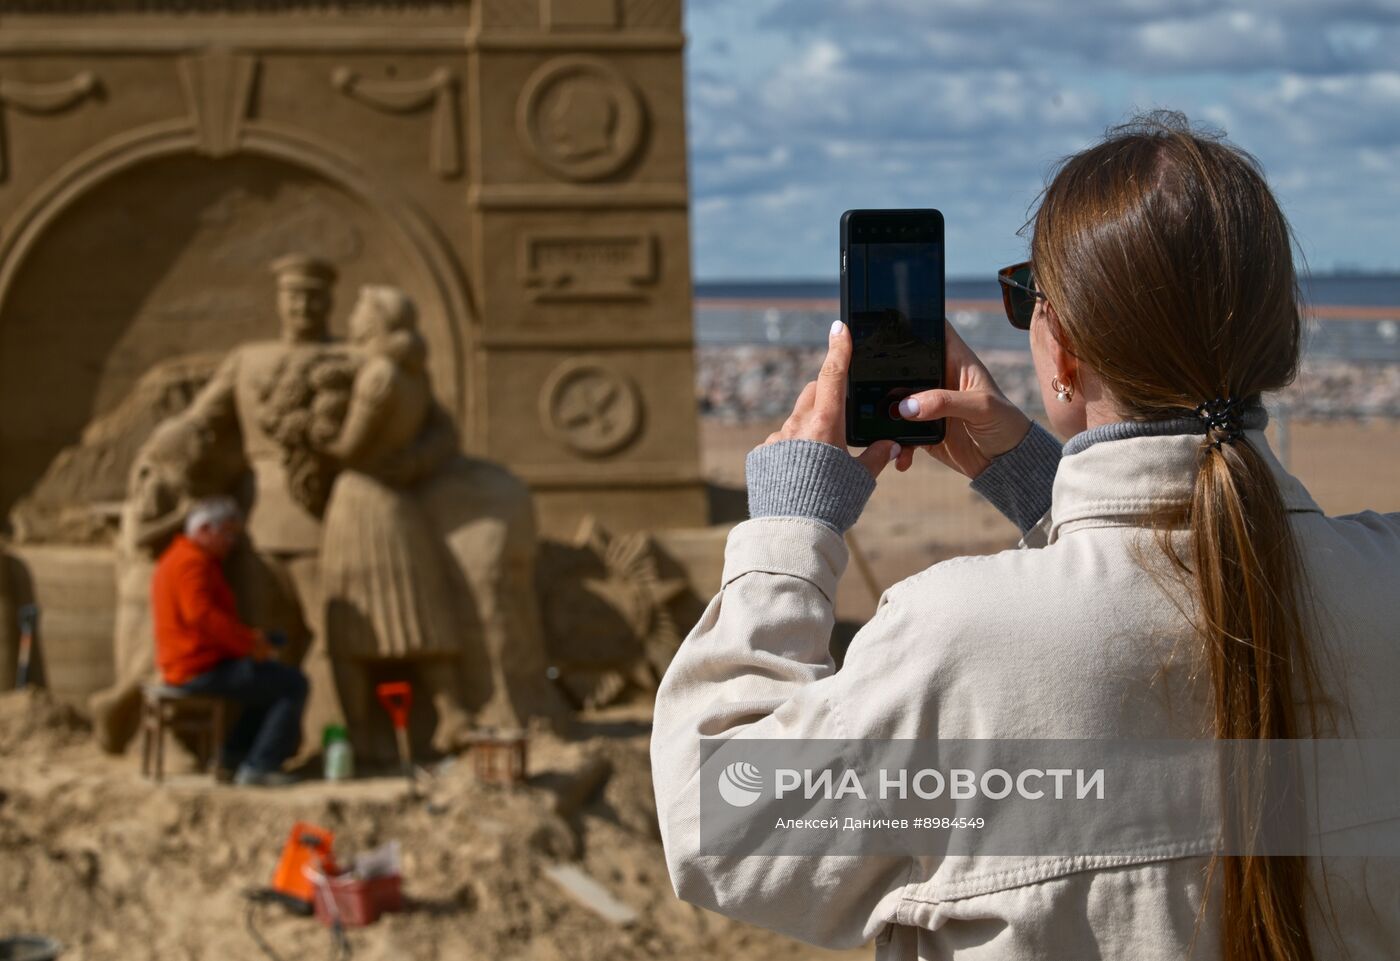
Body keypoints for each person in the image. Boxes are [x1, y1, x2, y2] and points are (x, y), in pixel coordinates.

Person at [651, 113, 1400, 959]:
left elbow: (720, 819)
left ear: (1065, 353)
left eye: (1026, 298)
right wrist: (1044, 485)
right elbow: (1184, 585)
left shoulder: (959, 639)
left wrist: (791, 525)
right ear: (1283, 344)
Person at [152, 496, 308, 786]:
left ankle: (234, 757)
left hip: (193, 664)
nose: (231, 542)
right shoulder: (191, 563)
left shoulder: (182, 558)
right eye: (226, 533)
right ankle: (260, 765)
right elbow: (202, 617)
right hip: (195, 669)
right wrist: (249, 644)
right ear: (204, 530)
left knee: (264, 684)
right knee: (292, 683)